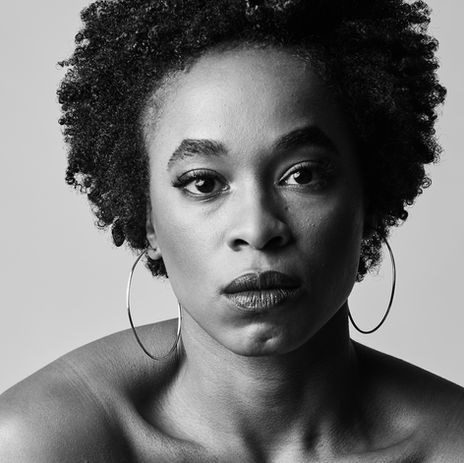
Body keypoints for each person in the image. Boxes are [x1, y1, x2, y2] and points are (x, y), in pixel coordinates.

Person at [1, 0, 463, 461]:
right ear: (149, 220)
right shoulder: (43, 444)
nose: (257, 229)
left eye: (302, 175)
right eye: (203, 183)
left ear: (369, 198)